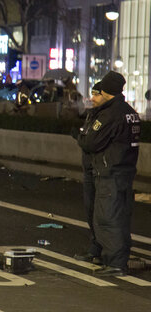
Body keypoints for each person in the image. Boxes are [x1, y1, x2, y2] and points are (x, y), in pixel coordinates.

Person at [73, 71, 141, 277]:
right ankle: (115, 257)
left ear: (106, 91)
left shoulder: (110, 114)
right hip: (123, 170)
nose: (94, 97)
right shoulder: (129, 112)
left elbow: (91, 142)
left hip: (111, 171)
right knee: (117, 215)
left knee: (108, 217)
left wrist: (81, 137)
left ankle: (115, 262)